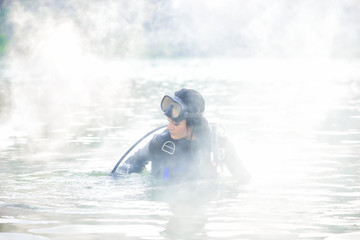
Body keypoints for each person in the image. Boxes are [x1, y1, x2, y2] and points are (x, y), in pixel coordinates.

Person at [117, 88, 250, 183]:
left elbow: (244, 179)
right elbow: (131, 164)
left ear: (193, 123)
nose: (169, 128)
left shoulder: (219, 145)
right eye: (168, 122)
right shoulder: (161, 143)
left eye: (175, 123)